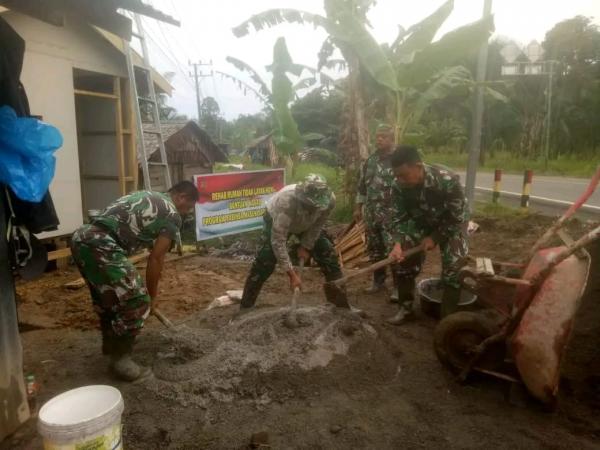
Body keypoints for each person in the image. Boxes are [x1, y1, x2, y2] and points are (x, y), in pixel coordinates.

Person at [70, 181, 198, 381]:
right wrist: (152, 297)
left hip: (82, 238)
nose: (186, 212)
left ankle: (112, 348)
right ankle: (122, 361)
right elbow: (156, 258)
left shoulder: (147, 195)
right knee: (137, 300)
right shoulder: (172, 213)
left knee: (108, 298)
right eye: (188, 206)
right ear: (181, 197)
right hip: (102, 242)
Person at [239, 174, 351, 312]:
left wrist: (306, 246)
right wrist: (292, 274)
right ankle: (245, 306)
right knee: (265, 260)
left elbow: (318, 225)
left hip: (307, 225)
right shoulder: (287, 202)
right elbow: (278, 241)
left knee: (327, 253)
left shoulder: (329, 200)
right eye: (310, 206)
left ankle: (340, 305)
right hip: (278, 219)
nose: (313, 209)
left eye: (316, 207)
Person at [385, 146, 468, 325]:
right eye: (396, 175)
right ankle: (406, 309)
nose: (400, 180)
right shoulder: (398, 185)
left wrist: (435, 238)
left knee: (454, 269)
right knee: (403, 261)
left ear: (418, 166)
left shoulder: (447, 180)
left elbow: (457, 218)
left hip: (450, 224)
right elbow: (399, 218)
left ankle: (448, 322)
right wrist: (397, 244)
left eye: (404, 175)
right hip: (421, 222)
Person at [354, 124, 399, 301]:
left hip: (391, 215)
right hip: (372, 215)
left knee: (393, 251)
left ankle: (397, 287)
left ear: (391, 139)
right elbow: (362, 186)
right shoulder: (370, 160)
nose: (379, 139)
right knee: (375, 249)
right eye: (378, 136)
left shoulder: (398, 159)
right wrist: (358, 207)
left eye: (384, 137)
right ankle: (378, 282)